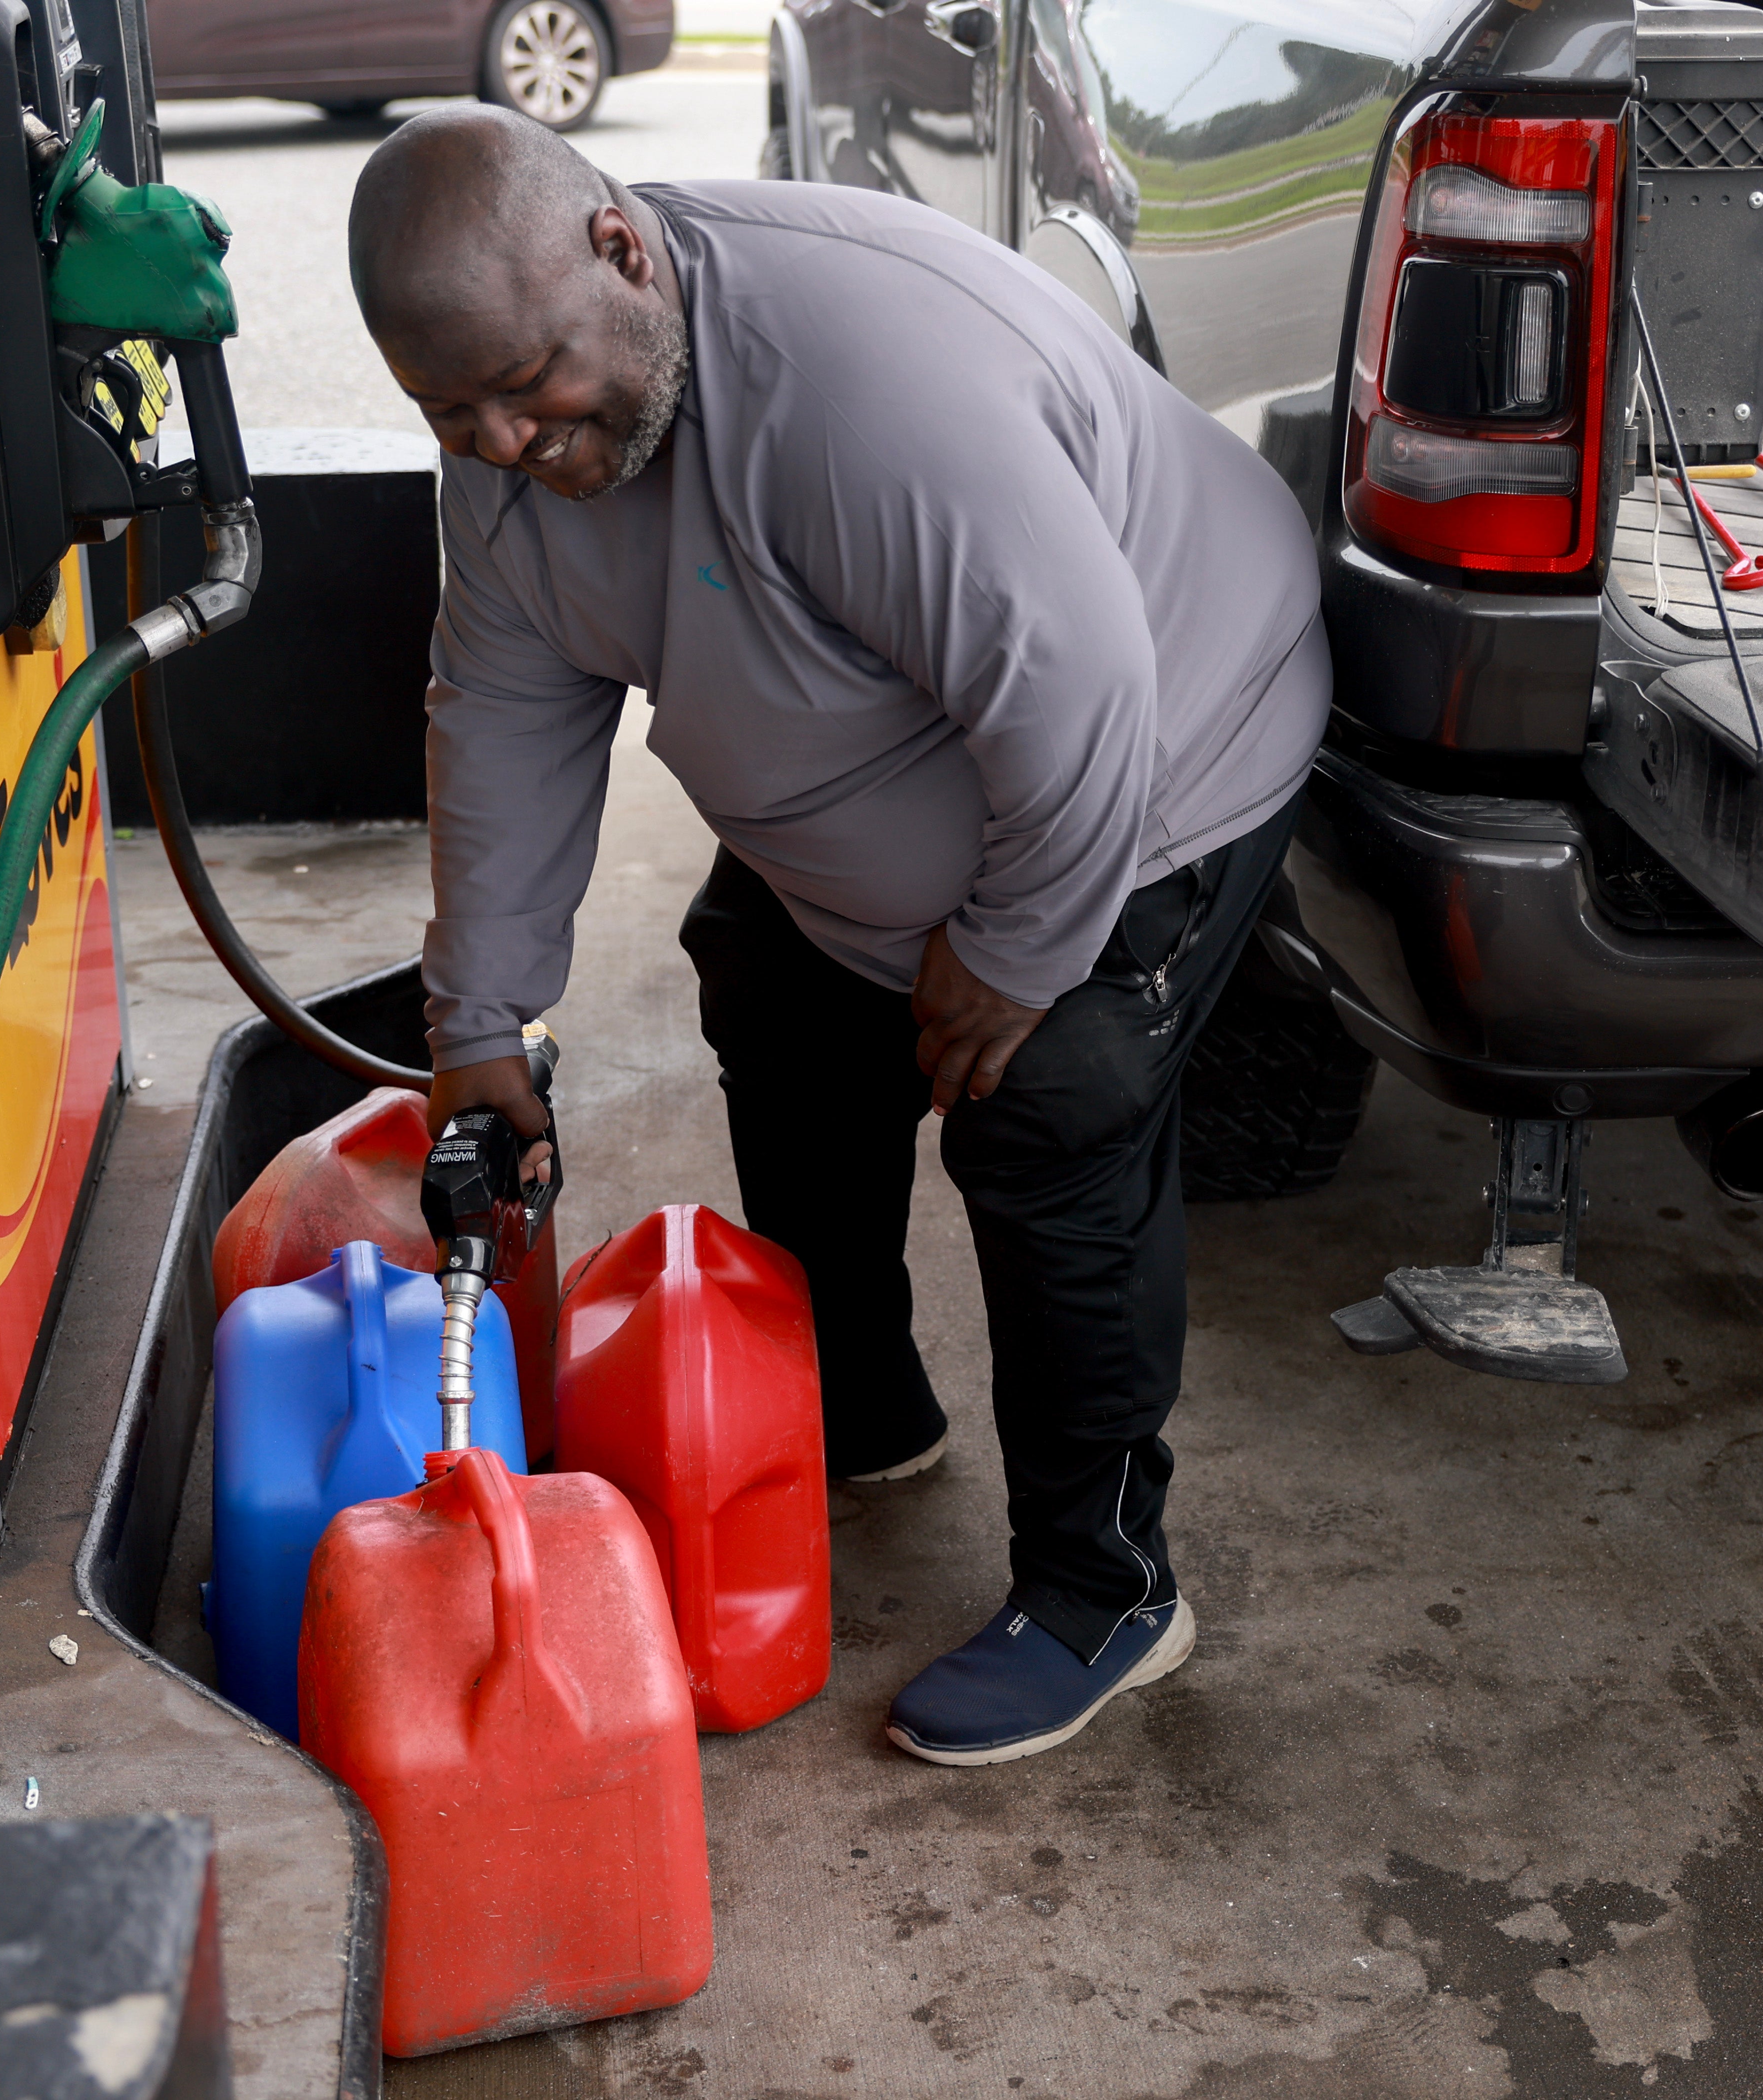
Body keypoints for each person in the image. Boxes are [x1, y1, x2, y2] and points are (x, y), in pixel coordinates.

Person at [346, 107, 1329, 1765]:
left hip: (1166, 732)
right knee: (770, 978)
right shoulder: (506, 454)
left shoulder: (858, 387)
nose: (508, 440)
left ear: (621, 251)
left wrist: (1016, 950)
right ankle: (860, 1410)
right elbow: (504, 719)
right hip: (898, 746)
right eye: (456, 412)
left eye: (532, 383)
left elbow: (1077, 692)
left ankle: (1109, 1591)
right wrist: (477, 1026)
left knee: (1054, 1097)